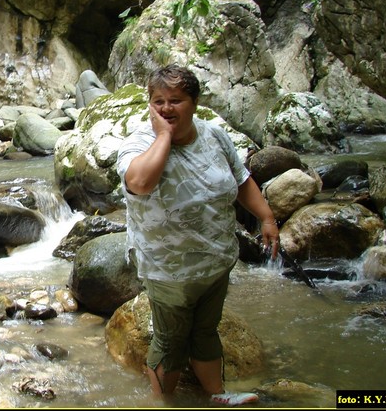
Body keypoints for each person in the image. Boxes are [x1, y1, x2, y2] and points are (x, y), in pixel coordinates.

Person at [116, 65, 279, 406]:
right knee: (171, 340)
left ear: (195, 103)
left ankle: (217, 396)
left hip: (216, 261)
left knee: (206, 331)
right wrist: (163, 136)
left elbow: (240, 180)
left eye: (175, 100)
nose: (165, 108)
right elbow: (140, 183)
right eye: (158, 101)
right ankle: (166, 402)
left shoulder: (214, 135)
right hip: (168, 270)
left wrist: (266, 216)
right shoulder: (140, 143)